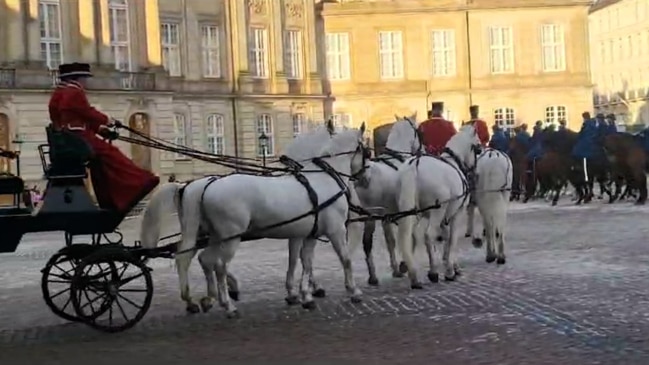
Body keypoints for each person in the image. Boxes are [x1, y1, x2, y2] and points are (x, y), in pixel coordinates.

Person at [48, 62, 159, 214]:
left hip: (72, 134)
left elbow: (75, 116)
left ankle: (110, 198)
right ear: (77, 78)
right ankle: (137, 184)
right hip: (78, 135)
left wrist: (101, 130)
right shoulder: (74, 92)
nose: (86, 82)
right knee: (111, 154)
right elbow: (87, 112)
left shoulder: (60, 92)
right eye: (84, 78)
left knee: (102, 162)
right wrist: (109, 121)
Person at [571, 111, 599, 180]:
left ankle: (576, 166)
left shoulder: (585, 123)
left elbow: (582, 133)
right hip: (593, 141)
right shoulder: (593, 123)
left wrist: (578, 136)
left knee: (575, 150)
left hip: (586, 141)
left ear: (585, 117)